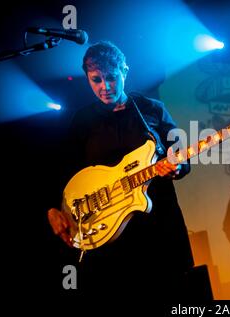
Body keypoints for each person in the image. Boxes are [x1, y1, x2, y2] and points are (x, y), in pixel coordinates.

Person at [47, 41, 194, 299]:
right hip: (110, 240)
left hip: (156, 231)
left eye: (112, 78)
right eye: (96, 80)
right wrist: (52, 209)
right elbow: (62, 170)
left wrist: (175, 165)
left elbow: (181, 156)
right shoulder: (82, 121)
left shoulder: (152, 110)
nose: (105, 87)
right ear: (88, 78)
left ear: (124, 71)